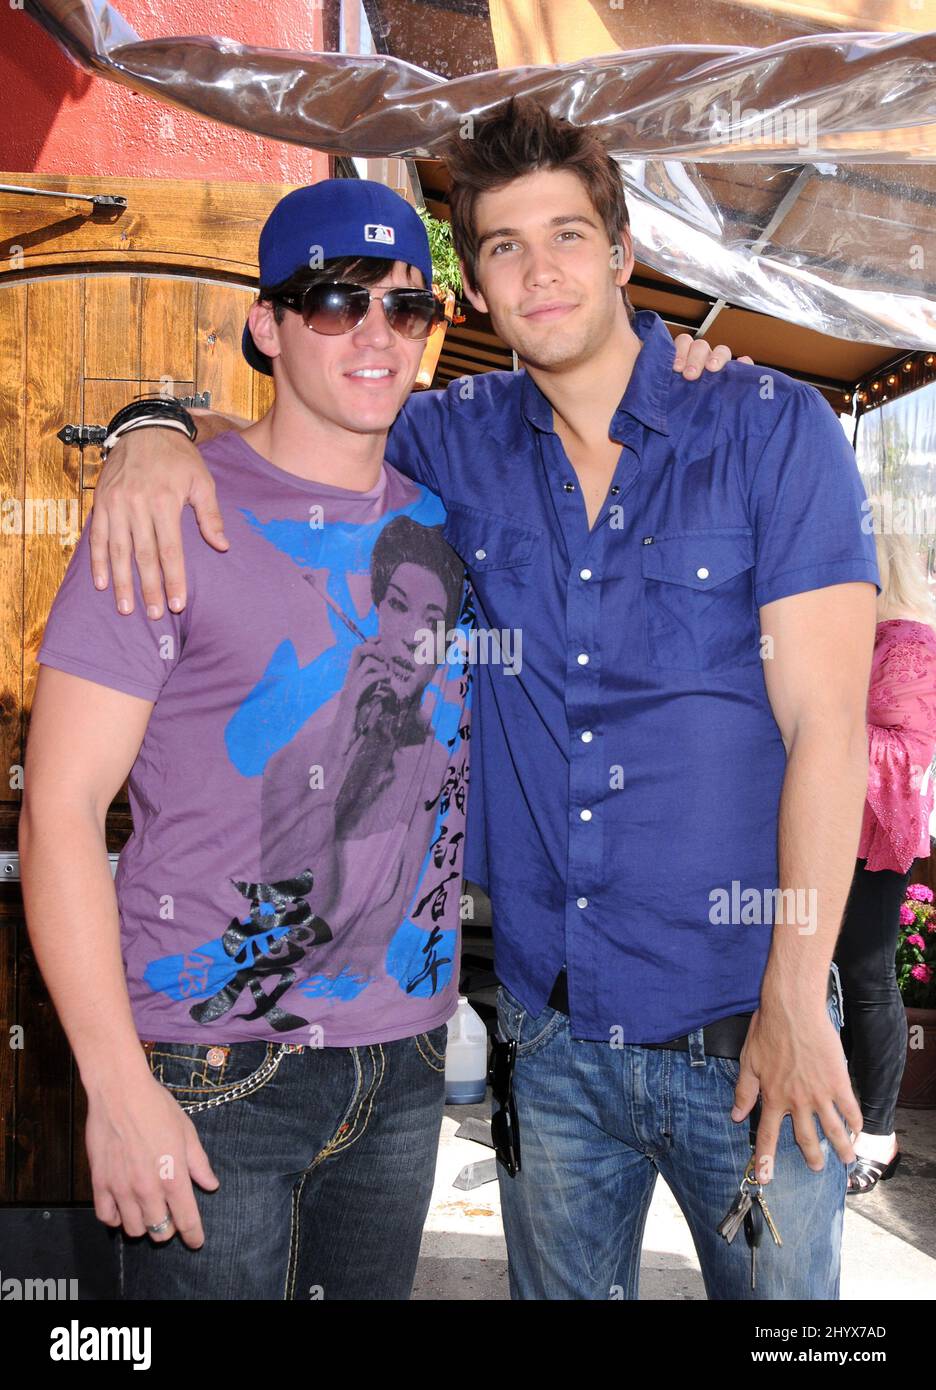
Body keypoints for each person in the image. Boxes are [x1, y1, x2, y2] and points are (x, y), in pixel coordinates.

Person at [82, 96, 877, 1301]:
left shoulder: (772, 429)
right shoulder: (453, 439)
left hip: (748, 1024)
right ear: (482, 292)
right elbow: (296, 406)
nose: (539, 271)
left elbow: (830, 726)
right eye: (504, 247)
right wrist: (149, 426)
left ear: (623, 256)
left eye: (566, 236)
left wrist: (794, 995)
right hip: (549, 1042)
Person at [19, 180, 477, 1300]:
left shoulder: (445, 522)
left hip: (406, 1064)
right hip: (213, 1068)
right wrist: (116, 1086)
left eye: (404, 307)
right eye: (333, 300)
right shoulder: (166, 510)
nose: (375, 332)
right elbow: (62, 809)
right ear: (267, 327)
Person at [834, 522, 936, 1193]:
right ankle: (842, 1118)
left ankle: (880, 1133)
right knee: (834, 973)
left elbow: (910, 751)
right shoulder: (860, 638)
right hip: (834, 830)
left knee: (868, 978)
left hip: (876, 838)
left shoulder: (912, 645)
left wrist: (827, 730)